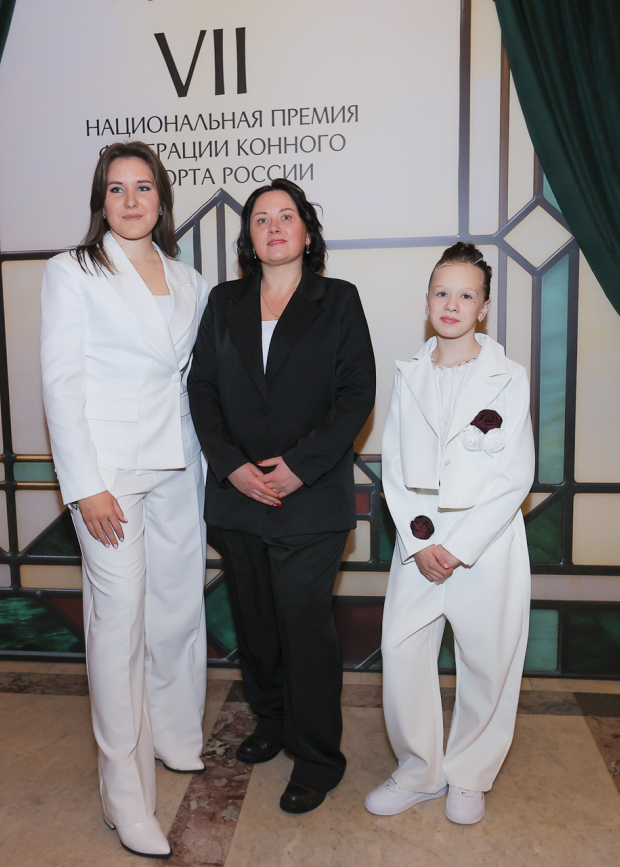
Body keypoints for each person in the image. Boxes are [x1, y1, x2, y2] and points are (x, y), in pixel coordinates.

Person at [40, 141, 210, 859]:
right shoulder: (72, 271)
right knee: (118, 625)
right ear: (100, 201)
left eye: (144, 187)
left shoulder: (190, 278)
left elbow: (192, 377)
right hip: (109, 472)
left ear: (162, 198)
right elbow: (60, 384)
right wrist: (84, 486)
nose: (132, 200)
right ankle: (125, 795)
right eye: (117, 188)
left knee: (177, 604)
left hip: (180, 460)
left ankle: (174, 732)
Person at [188, 179, 376, 815]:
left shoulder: (338, 299)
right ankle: (270, 721)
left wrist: (300, 467)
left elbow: (356, 393)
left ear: (306, 230)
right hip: (239, 495)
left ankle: (318, 757)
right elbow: (201, 389)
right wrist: (232, 466)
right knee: (257, 623)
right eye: (261, 218)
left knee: (303, 625)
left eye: (285, 215)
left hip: (310, 496)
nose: (273, 227)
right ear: (249, 236)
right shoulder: (224, 301)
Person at [364, 242, 533, 826]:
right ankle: (419, 770)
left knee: (487, 658)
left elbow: (515, 475)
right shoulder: (408, 373)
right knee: (403, 651)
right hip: (420, 541)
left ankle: (468, 773)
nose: (452, 304)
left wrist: (459, 548)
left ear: (483, 308)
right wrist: (422, 543)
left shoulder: (509, 377)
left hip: (486, 542)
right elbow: (393, 465)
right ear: (428, 301)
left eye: (466, 295)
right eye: (442, 292)